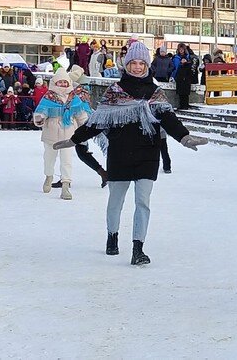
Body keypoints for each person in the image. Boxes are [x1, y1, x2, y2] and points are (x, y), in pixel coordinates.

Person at [55, 42, 208, 265]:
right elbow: (97, 122)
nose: (137, 67)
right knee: (116, 201)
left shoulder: (155, 93)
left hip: (148, 154)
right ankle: (112, 236)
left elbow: (169, 119)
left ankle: (138, 248)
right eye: (133, 63)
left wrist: (184, 137)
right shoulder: (115, 92)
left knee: (143, 202)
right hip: (119, 154)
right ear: (126, 65)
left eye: (141, 63)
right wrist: (74, 139)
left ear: (147, 65)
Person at [34, 69, 93, 200]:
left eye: (65, 82)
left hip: (68, 134)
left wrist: (86, 126)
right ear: (55, 82)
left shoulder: (73, 97)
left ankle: (65, 184)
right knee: (49, 159)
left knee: (67, 161)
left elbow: (80, 114)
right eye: (60, 82)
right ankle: (49, 176)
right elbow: (41, 111)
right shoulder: (48, 96)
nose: (62, 84)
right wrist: (39, 117)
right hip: (51, 133)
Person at [171, 44, 197, 111]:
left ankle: (185, 105)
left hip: (186, 80)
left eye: (182, 49)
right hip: (179, 79)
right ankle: (181, 105)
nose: (181, 50)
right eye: (180, 49)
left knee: (185, 94)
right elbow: (174, 68)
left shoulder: (189, 59)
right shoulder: (175, 57)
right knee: (180, 94)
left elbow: (191, 71)